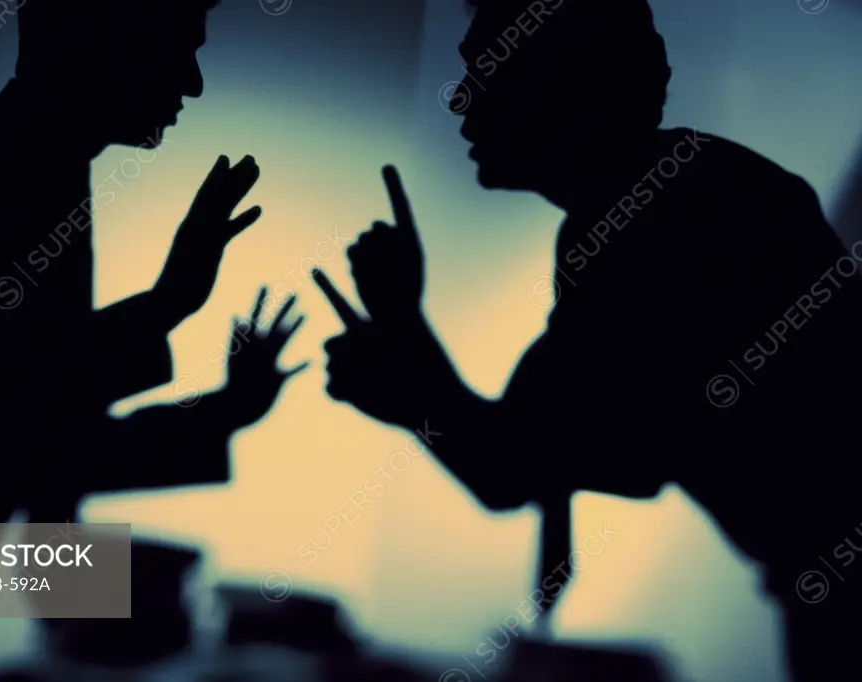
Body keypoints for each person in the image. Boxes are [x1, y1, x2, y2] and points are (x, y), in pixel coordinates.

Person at [312, 1, 862, 680]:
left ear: (564, 90)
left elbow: (519, 461)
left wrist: (402, 357)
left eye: (486, 74)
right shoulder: (663, 197)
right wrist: (405, 339)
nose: (459, 101)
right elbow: (538, 447)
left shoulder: (665, 216)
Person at [0, 0, 305, 677]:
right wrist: (168, 306)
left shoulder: (31, 178)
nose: (192, 82)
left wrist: (222, 406)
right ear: (100, 43)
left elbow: (33, 437)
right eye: (179, 48)